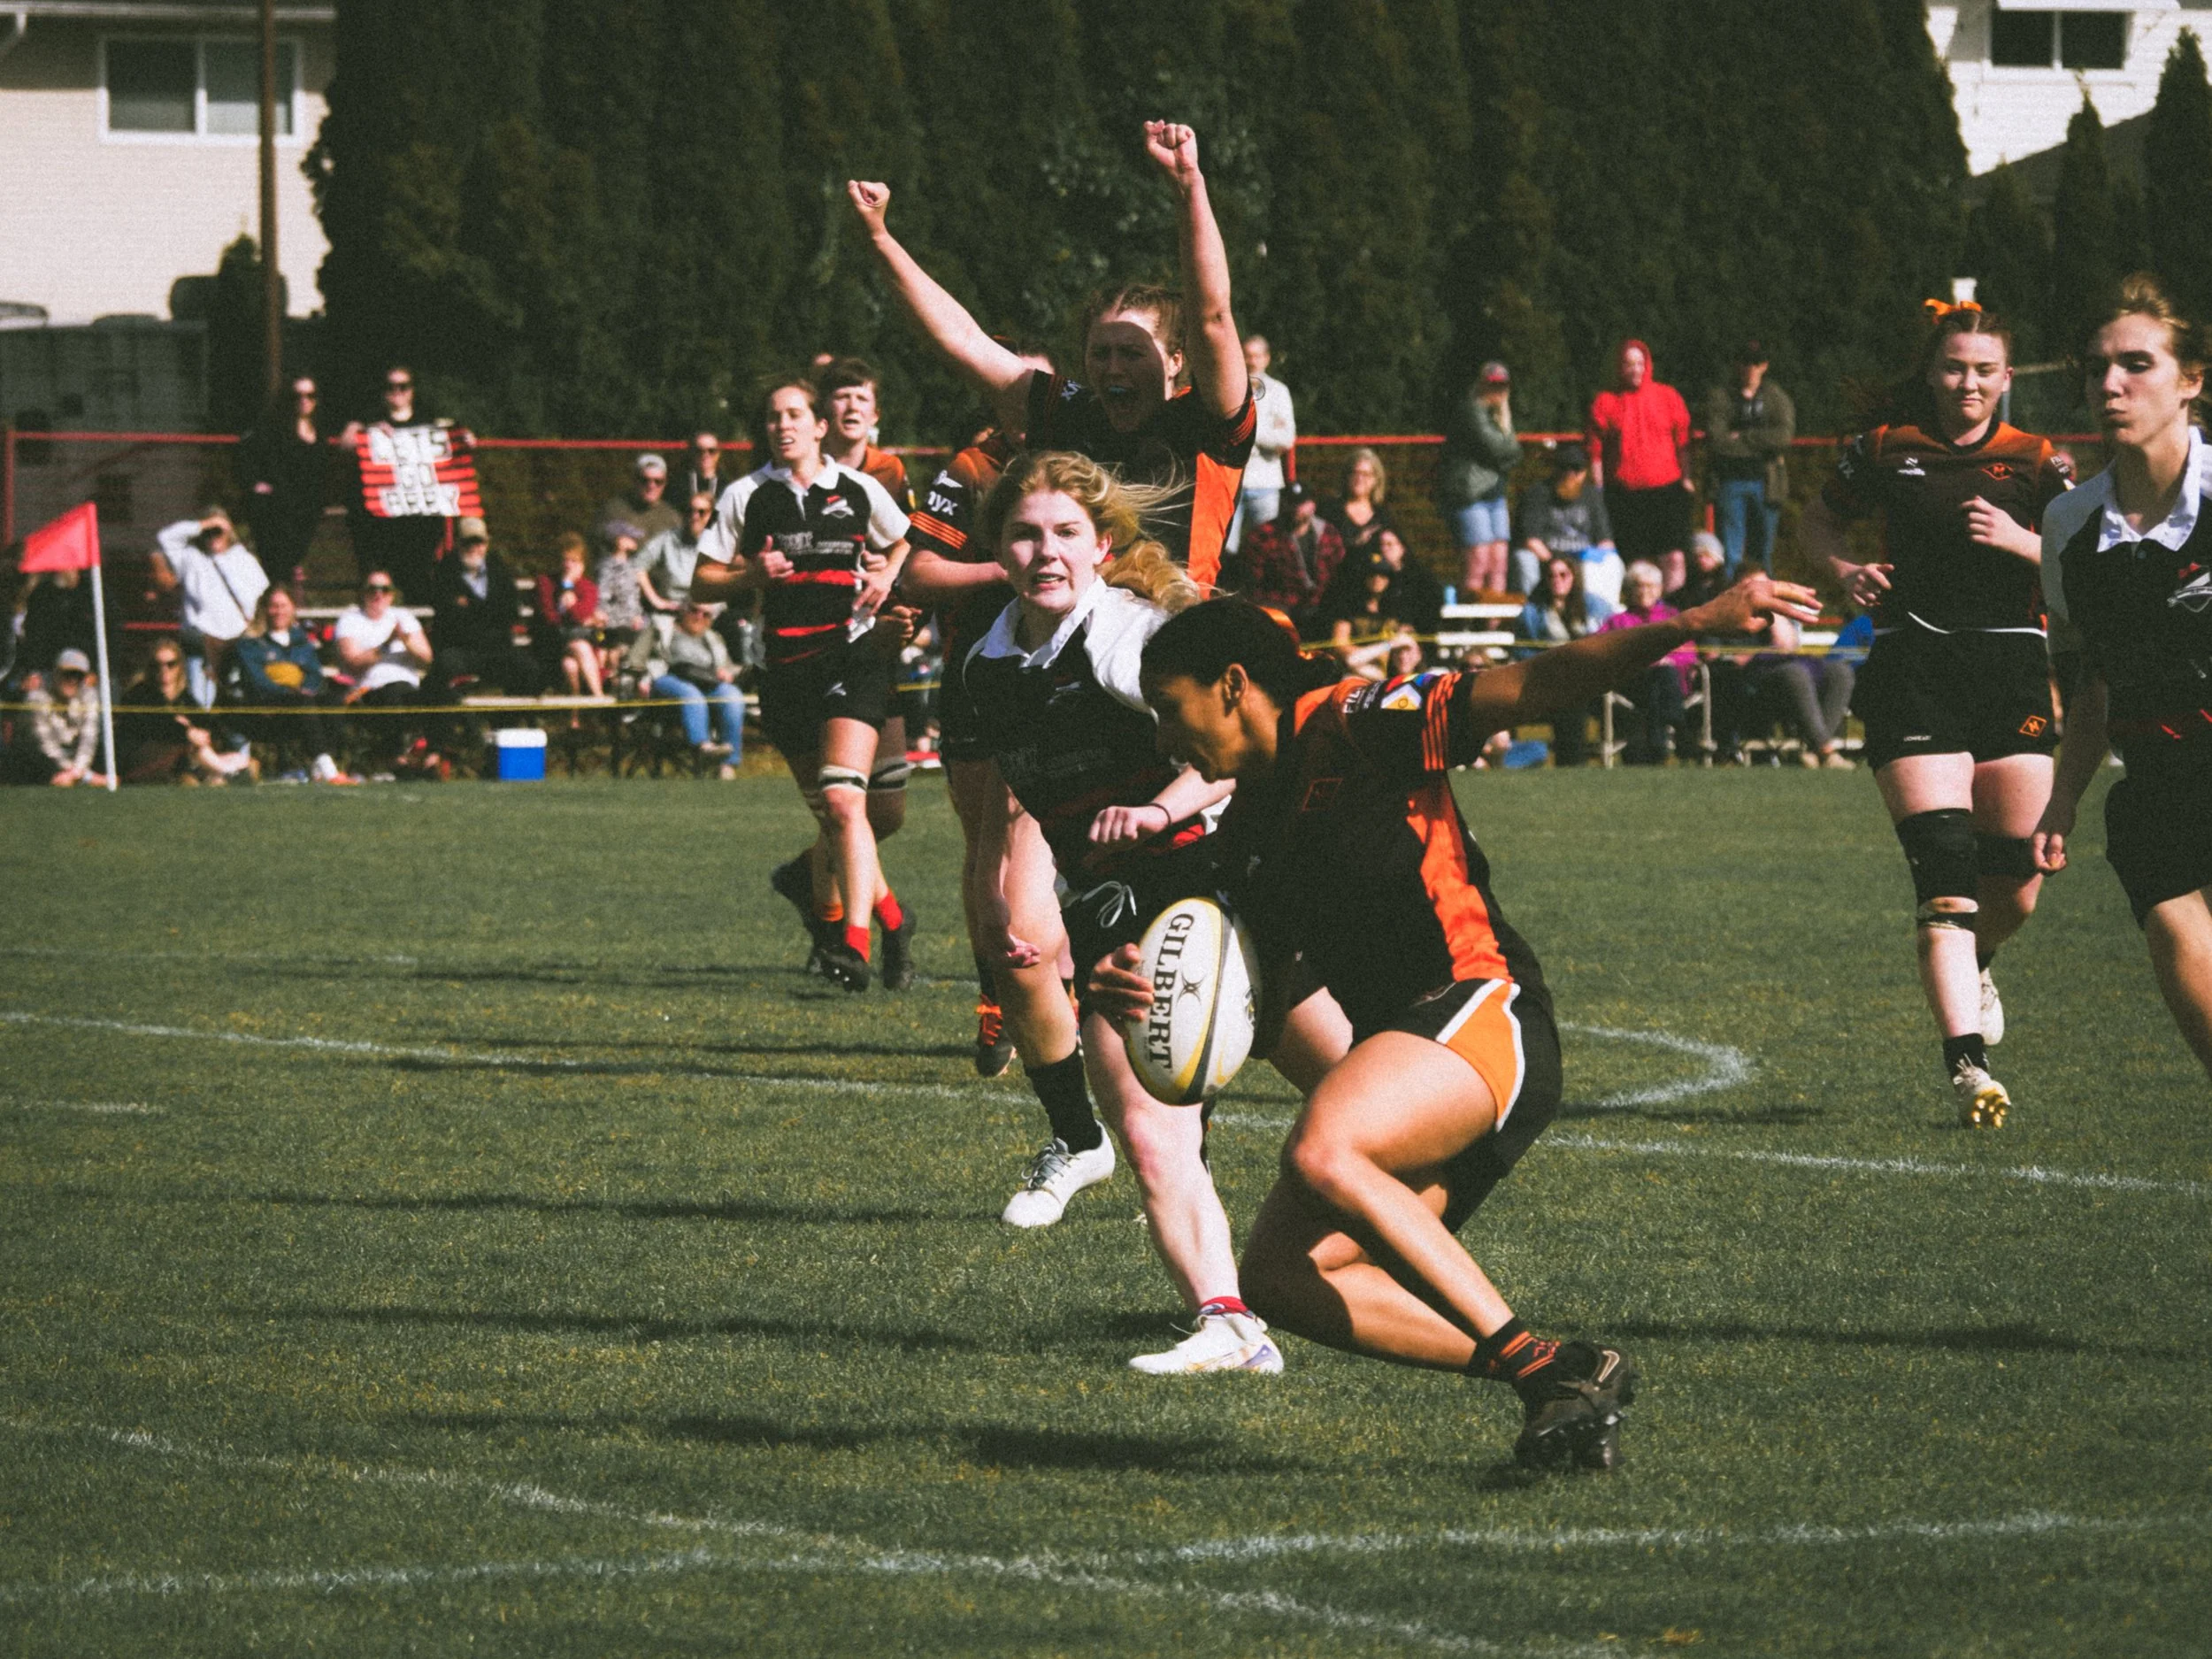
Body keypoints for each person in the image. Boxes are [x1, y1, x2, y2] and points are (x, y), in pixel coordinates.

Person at [1109, 573, 1817, 1466]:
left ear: (1234, 684)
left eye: (1170, 709)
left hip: (1485, 1010)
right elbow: (1236, 988)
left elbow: (1536, 686)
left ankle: (1537, 1373)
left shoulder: (1359, 719)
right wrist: (1132, 988)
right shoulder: (1250, 827)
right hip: (1416, 1053)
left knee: (1326, 1150)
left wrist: (1688, 623)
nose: (1165, 736)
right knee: (1282, 1279)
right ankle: (1567, 1366)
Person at [963, 449, 1346, 1369]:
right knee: (1146, 1129)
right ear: (998, 548)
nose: (1043, 551)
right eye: (1023, 533)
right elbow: (998, 805)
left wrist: (1162, 807)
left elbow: (1242, 750)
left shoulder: (1128, 638)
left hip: (1226, 896)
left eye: (1063, 533)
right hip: (1111, 920)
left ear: (1100, 545)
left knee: (1354, 1095)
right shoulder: (983, 666)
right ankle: (1229, 1325)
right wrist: (990, 893)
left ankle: (1377, 1255)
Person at [1800, 298, 2070, 1126]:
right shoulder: (1884, 449)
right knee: (1946, 879)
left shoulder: (2039, 459)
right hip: (1914, 671)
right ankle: (1969, 1070)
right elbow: (1815, 520)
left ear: (2006, 379)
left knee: (2016, 880)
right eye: (1955, 368)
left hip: (2013, 673)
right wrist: (1845, 568)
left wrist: (2023, 541)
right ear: (1931, 372)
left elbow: (2083, 553)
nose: (1969, 383)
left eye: (1985, 370)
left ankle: (1978, 960)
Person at [849, 120, 1256, 591]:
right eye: (1100, 353)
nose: (1114, 367)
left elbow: (1212, 317)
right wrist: (880, 239)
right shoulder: (1069, 411)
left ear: (1176, 361)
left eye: (1133, 352)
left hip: (1168, 640)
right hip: (1066, 640)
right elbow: (962, 339)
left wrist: (1189, 186)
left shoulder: (1210, 421)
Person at [2035, 274, 2212, 1081]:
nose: (2110, 384)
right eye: (2098, 368)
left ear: (2191, 380)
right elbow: (2090, 684)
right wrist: (2063, 799)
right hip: (2159, 786)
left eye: (2137, 364)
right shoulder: (2068, 525)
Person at [693, 378, 914, 992]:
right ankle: (893, 920)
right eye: (772, 417)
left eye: (794, 415)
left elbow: (908, 539)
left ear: (820, 427)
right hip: (785, 671)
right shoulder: (746, 495)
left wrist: (885, 576)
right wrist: (749, 573)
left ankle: (853, 941)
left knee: (847, 804)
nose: (782, 425)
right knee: (834, 815)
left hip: (852, 657)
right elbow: (700, 582)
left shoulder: (859, 489)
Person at [896, 422, 1036, 1084]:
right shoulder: (974, 467)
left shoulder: (1093, 450)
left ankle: (1064, 990)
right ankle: (995, 998)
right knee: (990, 847)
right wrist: (1003, 569)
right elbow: (917, 572)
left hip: (1074, 667)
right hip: (981, 676)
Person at [339, 365, 465, 601]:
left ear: (412, 390)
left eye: (403, 386)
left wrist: (463, 440)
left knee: (419, 582)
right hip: (383, 527)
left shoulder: (427, 419)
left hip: (421, 524)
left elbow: (454, 442)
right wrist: (367, 431)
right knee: (380, 585)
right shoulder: (372, 418)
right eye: (390, 387)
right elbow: (346, 442)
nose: (397, 392)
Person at [1586, 339, 1694, 590]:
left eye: (1639, 363)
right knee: (1636, 563)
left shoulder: (1668, 396)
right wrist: (1599, 490)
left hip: (1667, 492)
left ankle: (1671, 617)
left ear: (1648, 365)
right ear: (1619, 367)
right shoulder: (1606, 401)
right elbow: (1595, 451)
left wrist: (1687, 479)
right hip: (1625, 496)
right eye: (1628, 364)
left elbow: (1684, 442)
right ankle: (1641, 622)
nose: (1635, 369)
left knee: (1675, 558)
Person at [146, 507, 268, 708]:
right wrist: (203, 525)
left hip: (236, 643)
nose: (213, 536)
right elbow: (165, 537)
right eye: (208, 532)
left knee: (236, 699)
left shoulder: (245, 560)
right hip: (201, 643)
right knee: (201, 701)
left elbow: (261, 596)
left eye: (218, 531)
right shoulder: (190, 558)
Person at [234, 587, 349, 782]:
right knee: (302, 702)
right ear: (264, 609)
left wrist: (305, 689)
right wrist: (288, 690)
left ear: (292, 608)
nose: (279, 611)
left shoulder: (301, 640)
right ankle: (329, 770)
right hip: (268, 708)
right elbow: (257, 681)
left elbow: (314, 675)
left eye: (283, 606)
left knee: (333, 701)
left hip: (301, 702)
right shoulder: (251, 643)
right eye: (273, 606)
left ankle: (318, 768)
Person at [1703, 341, 1795, 576]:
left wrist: (1741, 437)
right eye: (1745, 362)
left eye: (1756, 362)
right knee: (1730, 557)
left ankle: (1764, 609)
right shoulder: (1721, 395)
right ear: (1737, 364)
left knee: (1762, 555)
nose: (1750, 368)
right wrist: (1761, 442)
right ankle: (1730, 608)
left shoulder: (1776, 397)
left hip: (1767, 484)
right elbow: (1718, 441)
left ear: (1764, 366)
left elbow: (1783, 437)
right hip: (1729, 482)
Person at [1516, 556, 1618, 766]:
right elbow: (1523, 653)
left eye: (1563, 574)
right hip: (1549, 678)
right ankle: (1572, 762)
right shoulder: (1532, 612)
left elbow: (1607, 640)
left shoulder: (1595, 606)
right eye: (1551, 575)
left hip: (1592, 678)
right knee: (1569, 696)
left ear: (1574, 577)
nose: (1557, 580)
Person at [1596, 560, 1699, 764]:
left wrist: (1667, 660)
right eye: (1639, 586)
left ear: (1660, 590)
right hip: (1631, 682)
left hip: (1669, 683)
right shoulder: (1617, 621)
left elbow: (1690, 654)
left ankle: (1658, 745)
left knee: (1662, 677)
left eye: (1650, 586)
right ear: (1630, 590)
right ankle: (1679, 724)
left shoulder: (1673, 617)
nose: (1644, 591)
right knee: (1660, 676)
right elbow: (1600, 650)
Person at [333, 570, 433, 770]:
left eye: (384, 589)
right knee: (393, 692)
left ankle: (434, 759)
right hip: (370, 689)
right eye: (373, 589)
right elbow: (352, 662)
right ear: (363, 593)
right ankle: (396, 759)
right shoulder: (351, 620)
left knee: (441, 693)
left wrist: (405, 640)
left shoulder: (403, 617)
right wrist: (385, 646)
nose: (378, 594)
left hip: (408, 688)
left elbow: (427, 658)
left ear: (391, 594)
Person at [117, 641, 255, 785]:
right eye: (157, 665)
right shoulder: (139, 694)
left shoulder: (183, 696)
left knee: (233, 759)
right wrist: (186, 732)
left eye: (170, 664)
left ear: (179, 666)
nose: (164, 670)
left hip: (180, 758)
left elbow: (204, 721)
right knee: (191, 747)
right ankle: (225, 773)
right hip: (143, 760)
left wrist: (200, 732)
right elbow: (155, 725)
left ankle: (220, 772)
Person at [1440, 360, 1524, 595]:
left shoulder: (1497, 416)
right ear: (1480, 385)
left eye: (1503, 386)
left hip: (1495, 495)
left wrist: (1506, 424)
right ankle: (1468, 622)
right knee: (1478, 560)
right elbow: (1505, 451)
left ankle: (1493, 625)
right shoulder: (1472, 411)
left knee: (1499, 563)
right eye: (1492, 385)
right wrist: (1508, 447)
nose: (1498, 391)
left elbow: (1510, 453)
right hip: (1470, 495)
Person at [429, 518, 539, 697]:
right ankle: (457, 723)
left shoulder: (500, 571)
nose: (474, 547)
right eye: (468, 542)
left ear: (487, 544)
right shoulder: (444, 573)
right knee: (444, 668)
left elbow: (511, 612)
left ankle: (507, 720)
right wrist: (488, 612)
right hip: (461, 649)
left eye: (478, 542)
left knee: (530, 670)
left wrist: (470, 608)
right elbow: (449, 620)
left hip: (497, 648)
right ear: (458, 543)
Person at [239, 374, 329, 589]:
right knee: (278, 569)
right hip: (278, 512)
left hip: (307, 512)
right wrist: (255, 485)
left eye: (310, 395)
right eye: (297, 395)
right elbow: (246, 454)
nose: (304, 400)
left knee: (298, 568)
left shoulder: (321, 431)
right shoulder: (273, 428)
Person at [1219, 482, 1345, 627]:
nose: (1296, 508)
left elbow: (1339, 572)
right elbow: (1250, 582)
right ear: (1282, 503)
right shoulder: (1263, 535)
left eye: (1302, 503)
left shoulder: (1328, 533)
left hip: (1321, 605)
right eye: (1291, 503)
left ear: (1313, 505)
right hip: (1280, 606)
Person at [646, 600, 745, 778]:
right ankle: (703, 747)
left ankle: (727, 764)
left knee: (733, 695)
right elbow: (637, 656)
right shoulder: (662, 629)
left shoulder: (713, 637)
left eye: (705, 614)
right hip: (666, 678)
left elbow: (728, 666)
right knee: (690, 693)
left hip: (706, 682)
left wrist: (726, 672)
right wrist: (640, 678)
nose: (699, 616)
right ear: (683, 610)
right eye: (694, 611)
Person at [1513, 443, 1622, 605]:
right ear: (1555, 470)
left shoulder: (1592, 496)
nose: (1570, 474)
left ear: (1585, 472)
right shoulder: (1538, 493)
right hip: (1547, 559)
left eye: (1576, 469)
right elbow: (1531, 541)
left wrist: (1593, 558)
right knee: (1524, 558)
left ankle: (1601, 616)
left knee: (1612, 561)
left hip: (1583, 561)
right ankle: (1537, 612)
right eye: (1564, 468)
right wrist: (1557, 563)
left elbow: (1605, 541)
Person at [1317, 527, 1444, 659]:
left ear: (1403, 547)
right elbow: (1341, 644)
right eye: (1380, 545)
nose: (1384, 549)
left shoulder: (1419, 581)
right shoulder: (1354, 595)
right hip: (1363, 659)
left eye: (1389, 544)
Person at [3, 649, 110, 787]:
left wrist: (75, 773)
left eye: (78, 676)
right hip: (34, 766)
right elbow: (46, 746)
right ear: (55, 672)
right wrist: (86, 776)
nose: (73, 680)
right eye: (67, 674)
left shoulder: (90, 695)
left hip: (73, 768)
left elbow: (89, 739)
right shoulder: (36, 697)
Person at [1230, 333, 1296, 553]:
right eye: (1246, 355)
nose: (1251, 361)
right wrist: (1267, 432)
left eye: (1256, 356)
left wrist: (1247, 431)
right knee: (1226, 549)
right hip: (1231, 482)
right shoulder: (1227, 388)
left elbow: (1286, 438)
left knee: (1266, 548)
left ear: (1266, 358)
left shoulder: (1278, 391)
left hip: (1266, 485)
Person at [534, 533, 604, 698]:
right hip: (552, 641)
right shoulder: (545, 582)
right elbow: (549, 618)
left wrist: (571, 607)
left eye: (574, 561)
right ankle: (600, 698)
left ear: (583, 564)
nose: (568, 565)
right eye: (565, 560)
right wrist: (566, 585)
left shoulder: (588, 588)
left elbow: (578, 614)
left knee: (570, 665)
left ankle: (575, 719)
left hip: (580, 646)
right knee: (580, 647)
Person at [636, 493, 710, 625]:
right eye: (690, 511)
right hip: (671, 615)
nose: (695, 517)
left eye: (701, 512)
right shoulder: (668, 539)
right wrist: (656, 601)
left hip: (706, 618)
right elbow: (637, 565)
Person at [594, 526, 648, 687]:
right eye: (629, 537)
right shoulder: (608, 567)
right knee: (609, 653)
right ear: (619, 541)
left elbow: (633, 597)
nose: (635, 540)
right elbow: (602, 597)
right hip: (613, 625)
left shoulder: (632, 566)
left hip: (630, 624)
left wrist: (636, 615)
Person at [1324, 446, 1394, 565]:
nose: (1360, 479)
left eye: (1366, 474)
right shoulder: (1330, 510)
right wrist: (1355, 545)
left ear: (1376, 480)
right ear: (1346, 476)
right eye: (1355, 473)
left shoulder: (1383, 515)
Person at [599, 453, 682, 547]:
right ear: (635, 480)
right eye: (645, 480)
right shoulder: (614, 511)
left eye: (658, 481)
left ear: (665, 483)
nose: (651, 486)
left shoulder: (672, 519)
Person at [1668, 530, 1734, 611]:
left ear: (1717, 560)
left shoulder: (1727, 589)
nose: (1702, 560)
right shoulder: (1683, 592)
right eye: (1698, 556)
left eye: (1707, 555)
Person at [680, 430, 727, 507]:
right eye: (699, 451)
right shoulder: (679, 485)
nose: (705, 455)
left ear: (718, 453)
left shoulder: (726, 487)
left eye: (711, 451)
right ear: (692, 453)